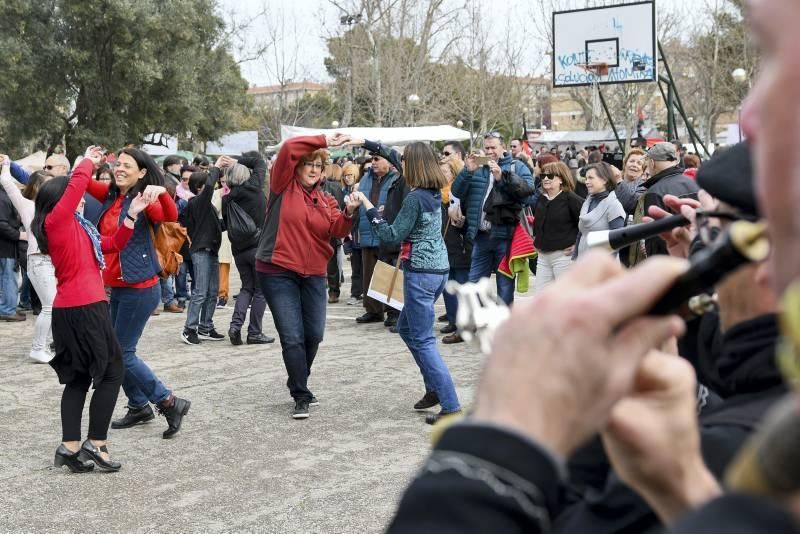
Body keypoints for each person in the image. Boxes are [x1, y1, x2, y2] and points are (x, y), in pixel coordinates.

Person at [31, 147, 154, 473]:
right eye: (76, 196)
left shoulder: (79, 228)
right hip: (84, 308)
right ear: (61, 201)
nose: (82, 199)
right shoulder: (58, 222)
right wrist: (87, 160)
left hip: (71, 309)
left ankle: (70, 448)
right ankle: (96, 444)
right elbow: (76, 185)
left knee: (79, 379)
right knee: (113, 371)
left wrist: (132, 214)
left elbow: (112, 245)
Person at [85, 148, 191, 440]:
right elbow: (78, 183)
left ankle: (168, 401)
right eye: (117, 164)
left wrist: (161, 193)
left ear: (142, 172)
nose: (119, 169)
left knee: (122, 352)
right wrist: (87, 161)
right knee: (114, 352)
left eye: (127, 166)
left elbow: (169, 215)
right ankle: (138, 405)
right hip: (116, 286)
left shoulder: (143, 199)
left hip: (140, 288)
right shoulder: (111, 195)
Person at [355, 142, 461, 424]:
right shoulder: (432, 192)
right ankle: (434, 389)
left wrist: (367, 208)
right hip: (438, 269)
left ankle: (450, 404)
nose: (398, 164)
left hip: (420, 273)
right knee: (406, 329)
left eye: (403, 161)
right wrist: (369, 144)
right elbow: (397, 161)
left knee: (424, 340)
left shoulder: (414, 199)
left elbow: (390, 234)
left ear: (412, 166)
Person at [255, 133, 359, 420]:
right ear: (297, 167)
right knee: (292, 336)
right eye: (308, 164)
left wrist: (349, 213)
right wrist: (324, 139)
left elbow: (337, 231)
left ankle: (296, 378)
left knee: (314, 334)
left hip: (313, 273)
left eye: (319, 165)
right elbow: (289, 147)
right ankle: (300, 393)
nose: (314, 169)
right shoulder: (281, 187)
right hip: (277, 270)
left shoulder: (327, 199)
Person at [452, 132, 533, 306]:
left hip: (505, 236)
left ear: (502, 147)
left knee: (504, 287)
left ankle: (504, 329)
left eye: (493, 147)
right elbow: (456, 192)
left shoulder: (516, 166)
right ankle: (475, 328)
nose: (489, 151)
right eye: (486, 147)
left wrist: (502, 178)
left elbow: (528, 194)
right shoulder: (477, 168)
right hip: (480, 237)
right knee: (473, 286)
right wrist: (467, 171)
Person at [0, 163, 54, 360]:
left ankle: (47, 345)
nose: (52, 188)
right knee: (50, 306)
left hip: (54, 261)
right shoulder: (27, 205)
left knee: (55, 306)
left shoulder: (56, 207)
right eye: (47, 184)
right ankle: (38, 348)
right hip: (38, 261)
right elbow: (6, 181)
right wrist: (6, 164)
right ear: (38, 188)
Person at [221, 154, 274, 346]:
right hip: (258, 247)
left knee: (246, 288)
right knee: (260, 291)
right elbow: (259, 161)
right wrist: (239, 161)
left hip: (239, 249)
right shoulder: (254, 188)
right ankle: (254, 332)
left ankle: (235, 326)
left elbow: (227, 225)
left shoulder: (226, 199)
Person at [628, 142, 699, 266]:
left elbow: (655, 240)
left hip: (669, 265)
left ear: (652, 163)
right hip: (695, 257)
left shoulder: (655, 192)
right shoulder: (693, 183)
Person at [182, 165, 227, 345]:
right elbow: (209, 188)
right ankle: (189, 329)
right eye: (207, 185)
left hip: (211, 251)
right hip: (201, 251)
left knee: (212, 292)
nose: (213, 188)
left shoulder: (207, 206)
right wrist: (216, 168)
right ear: (199, 187)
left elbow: (219, 227)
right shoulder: (196, 202)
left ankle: (205, 327)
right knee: (200, 292)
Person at [353, 150, 401, 324]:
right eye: (371, 159)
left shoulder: (396, 179)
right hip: (367, 231)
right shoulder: (365, 179)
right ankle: (373, 310)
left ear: (388, 162)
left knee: (389, 274)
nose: (373, 162)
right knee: (369, 274)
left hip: (386, 233)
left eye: (377, 159)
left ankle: (393, 312)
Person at [532, 161, 583, 293]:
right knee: (541, 296)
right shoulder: (542, 199)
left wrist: (577, 244)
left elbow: (585, 224)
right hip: (543, 256)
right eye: (543, 176)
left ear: (561, 179)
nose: (546, 179)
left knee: (564, 297)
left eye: (551, 176)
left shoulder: (571, 198)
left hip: (563, 257)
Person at [439, 158, 470, 345]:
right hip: (443, 244)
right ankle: (453, 320)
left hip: (460, 243)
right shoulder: (436, 193)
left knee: (462, 285)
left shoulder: (460, 193)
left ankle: (464, 324)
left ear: (454, 173)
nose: (441, 175)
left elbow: (468, 216)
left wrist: (461, 219)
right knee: (447, 285)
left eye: (445, 171)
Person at [572, 162, 626, 260]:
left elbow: (616, 242)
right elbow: (581, 233)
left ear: (604, 180)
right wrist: (574, 258)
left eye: (591, 178)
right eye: (586, 178)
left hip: (602, 266)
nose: (586, 182)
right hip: (582, 262)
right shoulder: (588, 202)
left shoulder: (614, 205)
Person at [0, 160, 23, 322]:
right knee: (9, 277)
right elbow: (1, 224)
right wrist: (18, 235)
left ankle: (7, 307)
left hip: (6, 245)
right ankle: (8, 309)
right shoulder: (2, 197)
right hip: (6, 245)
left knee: (7, 277)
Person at [322, 164, 345, 304]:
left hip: (330, 230)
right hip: (314, 230)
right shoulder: (307, 186)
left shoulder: (334, 187)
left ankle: (334, 291)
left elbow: (340, 207)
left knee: (331, 263)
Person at [341, 163, 363, 305]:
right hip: (352, 236)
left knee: (367, 268)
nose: (347, 178)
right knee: (356, 267)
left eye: (350, 175)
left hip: (365, 236)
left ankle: (366, 295)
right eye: (345, 175)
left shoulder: (363, 191)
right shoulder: (343, 192)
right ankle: (355, 294)